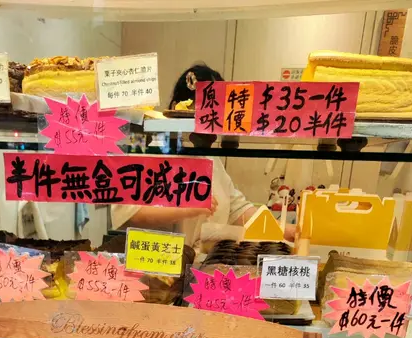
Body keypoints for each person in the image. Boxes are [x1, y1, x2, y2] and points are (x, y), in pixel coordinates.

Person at [111, 63, 295, 248]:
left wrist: (284, 229)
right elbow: (128, 212)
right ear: (179, 108)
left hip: (200, 260)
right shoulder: (150, 147)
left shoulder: (208, 156)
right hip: (155, 258)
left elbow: (237, 208)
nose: (215, 126)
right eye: (209, 112)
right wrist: (188, 207)